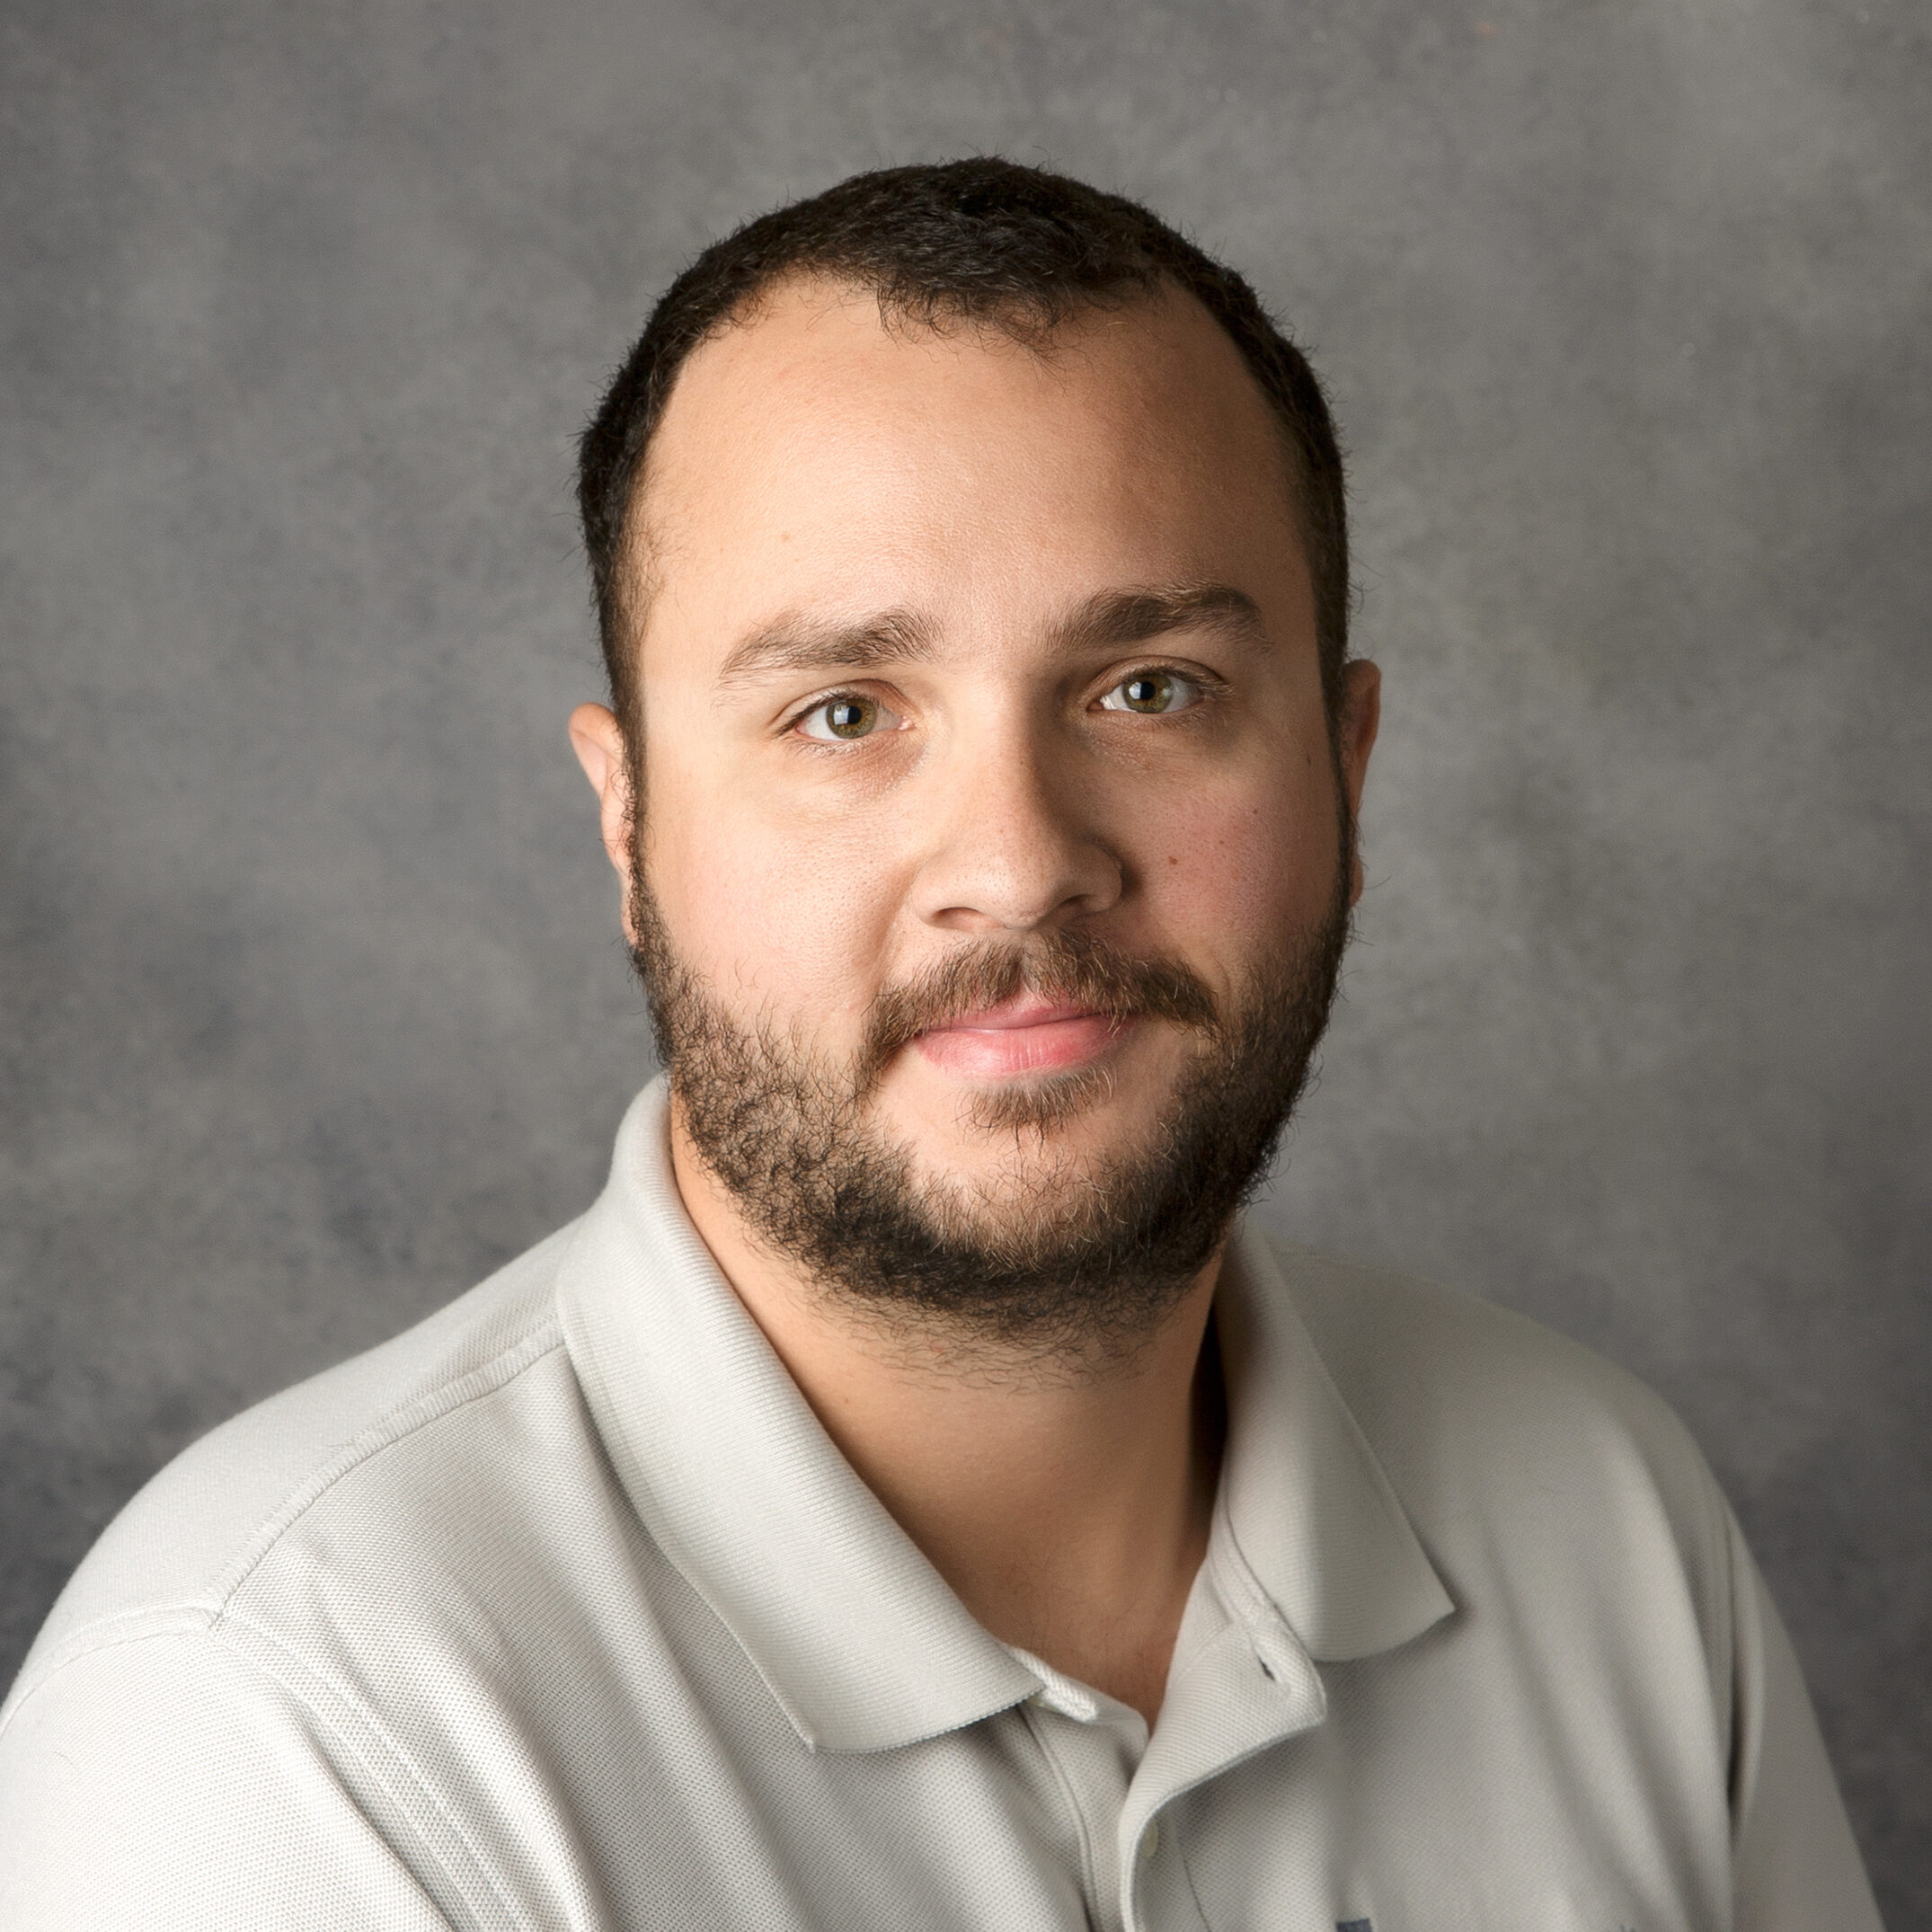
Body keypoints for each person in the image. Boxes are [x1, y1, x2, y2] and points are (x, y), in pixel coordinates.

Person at [0, 159, 1881, 1932]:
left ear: (1347, 770)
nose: (1018, 863)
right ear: (629, 831)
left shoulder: (1608, 1518)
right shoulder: (280, 1723)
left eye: (1151, 690)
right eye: (842, 711)